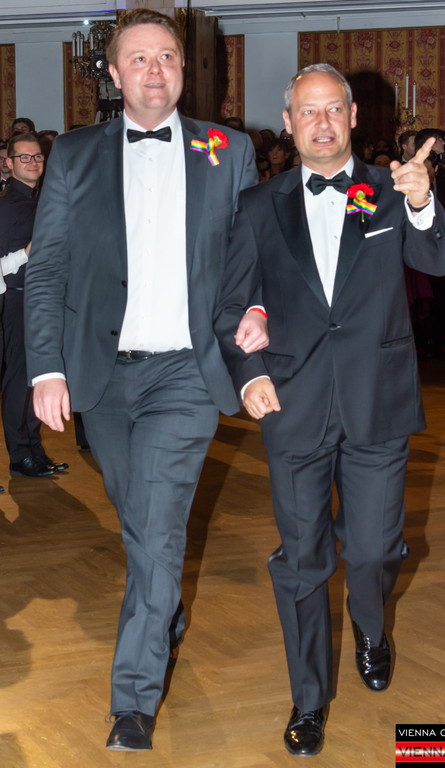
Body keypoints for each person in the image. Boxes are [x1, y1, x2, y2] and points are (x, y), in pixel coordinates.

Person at [24, 8, 257, 753]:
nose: (155, 70)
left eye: (167, 57)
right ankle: (163, 607)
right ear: (114, 73)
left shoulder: (229, 150)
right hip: (102, 377)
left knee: (156, 529)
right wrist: (46, 366)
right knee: (143, 526)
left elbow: (249, 259)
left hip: (186, 374)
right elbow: (47, 268)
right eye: (139, 58)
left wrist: (256, 313)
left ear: (184, 70)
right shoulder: (75, 154)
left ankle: (133, 699)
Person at [214, 63, 445, 758]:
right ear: (288, 124)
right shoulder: (258, 205)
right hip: (292, 404)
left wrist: (422, 203)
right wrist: (249, 375)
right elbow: (231, 306)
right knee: (301, 560)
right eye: (307, 111)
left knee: (375, 549)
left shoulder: (390, 188)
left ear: (353, 118)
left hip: (377, 400)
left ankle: (371, 624)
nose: (320, 123)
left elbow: (438, 262)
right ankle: (309, 696)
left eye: (332, 110)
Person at [0, 132, 67, 478]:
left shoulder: (46, 201)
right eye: (24, 157)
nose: (33, 162)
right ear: (9, 163)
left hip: (47, 299)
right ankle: (19, 454)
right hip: (17, 299)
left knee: (39, 376)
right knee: (20, 380)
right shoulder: (4, 207)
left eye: (38, 156)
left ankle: (34, 451)